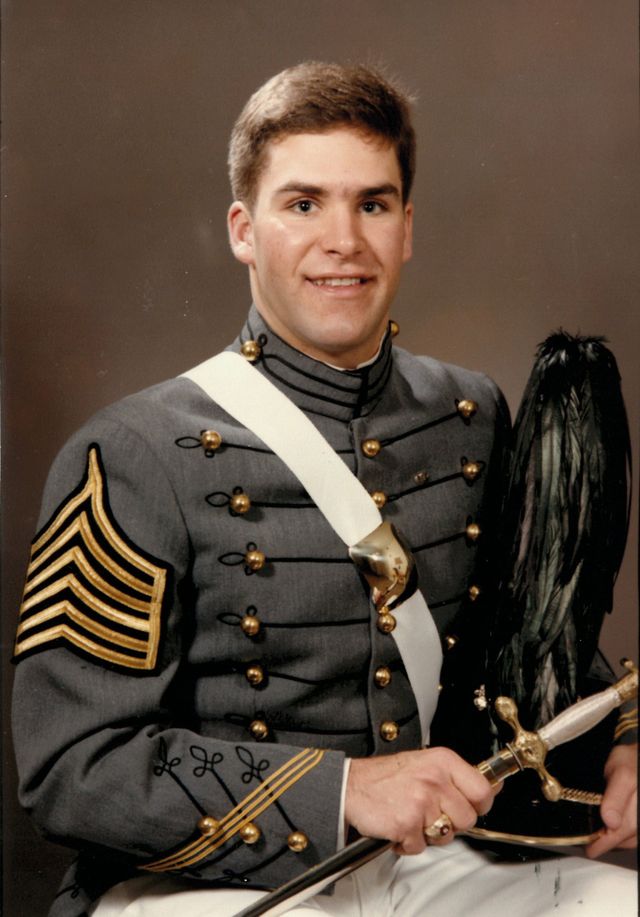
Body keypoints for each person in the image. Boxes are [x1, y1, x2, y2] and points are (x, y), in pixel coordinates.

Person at [12, 62, 637, 917]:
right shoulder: (130, 453)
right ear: (243, 229)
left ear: (407, 228)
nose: (343, 239)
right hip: (202, 885)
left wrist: (617, 746)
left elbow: (524, 642)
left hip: (429, 860)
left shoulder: (469, 413)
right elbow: (73, 769)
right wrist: (340, 792)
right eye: (303, 204)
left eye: (372, 204)